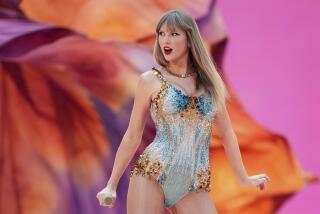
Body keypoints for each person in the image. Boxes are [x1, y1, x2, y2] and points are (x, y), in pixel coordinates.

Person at [96, 9, 270, 214]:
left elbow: (227, 133)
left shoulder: (211, 83)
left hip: (194, 181)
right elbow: (133, 135)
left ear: (189, 39)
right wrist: (111, 184)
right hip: (152, 172)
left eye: (173, 34)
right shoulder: (149, 80)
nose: (165, 40)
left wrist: (243, 177)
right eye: (161, 34)